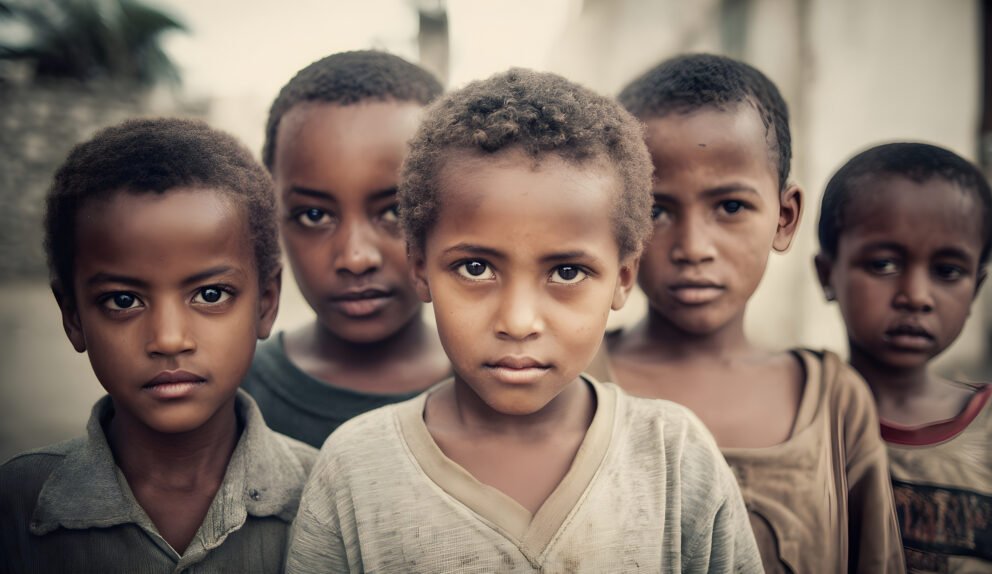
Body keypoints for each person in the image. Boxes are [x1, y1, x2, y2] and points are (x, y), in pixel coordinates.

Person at [286, 68, 764, 573]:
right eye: (476, 268)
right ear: (420, 268)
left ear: (623, 278)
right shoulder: (355, 469)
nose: (518, 321)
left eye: (566, 271)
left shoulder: (674, 457)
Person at [591, 53, 904, 573]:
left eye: (731, 207)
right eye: (656, 211)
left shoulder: (831, 400)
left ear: (784, 219)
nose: (694, 247)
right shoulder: (572, 386)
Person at [0, 118, 316, 572]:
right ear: (72, 315)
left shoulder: (327, 494)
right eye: (123, 300)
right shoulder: (15, 503)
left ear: (266, 303)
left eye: (210, 294)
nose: (169, 339)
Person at [816, 142, 992, 573]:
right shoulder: (798, 412)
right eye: (885, 264)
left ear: (975, 291)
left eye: (948, 272)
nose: (916, 296)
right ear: (826, 274)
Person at [242, 51, 449, 447]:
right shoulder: (225, 398)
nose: (355, 258)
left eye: (395, 210)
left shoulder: (510, 386)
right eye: (314, 215)